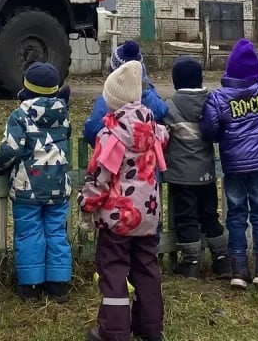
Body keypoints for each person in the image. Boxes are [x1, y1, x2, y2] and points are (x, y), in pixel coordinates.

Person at [78, 60, 168, 341]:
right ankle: (150, 327)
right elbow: (165, 136)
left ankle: (114, 330)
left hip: (118, 218)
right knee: (147, 268)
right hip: (148, 215)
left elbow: (100, 177)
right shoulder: (153, 129)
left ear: (113, 102)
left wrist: (86, 204)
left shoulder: (111, 136)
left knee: (114, 270)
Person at [201, 39, 258, 291]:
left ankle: (238, 269)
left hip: (234, 164)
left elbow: (209, 129)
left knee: (235, 213)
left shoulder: (218, 98)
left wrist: (224, 137)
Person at [0, 62, 73, 303]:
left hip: (28, 186)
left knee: (29, 234)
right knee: (56, 232)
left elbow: (11, 149)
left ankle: (32, 284)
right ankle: (58, 284)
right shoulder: (64, 114)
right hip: (58, 185)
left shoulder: (20, 116)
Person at [163, 57, 229, 279]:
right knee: (210, 215)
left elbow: (162, 136)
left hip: (182, 175)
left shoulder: (171, 107)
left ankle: (191, 262)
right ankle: (222, 260)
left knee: (187, 217)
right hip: (207, 173)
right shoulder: (210, 102)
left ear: (176, 82)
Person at [83, 40, 168, 145]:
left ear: (113, 71)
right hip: (146, 157)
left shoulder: (107, 99)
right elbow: (162, 112)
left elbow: (91, 131)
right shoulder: (149, 96)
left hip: (113, 156)